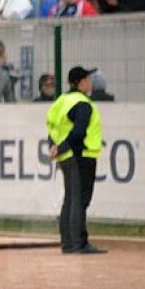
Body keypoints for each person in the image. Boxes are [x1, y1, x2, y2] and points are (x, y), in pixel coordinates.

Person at [47, 65, 106, 255]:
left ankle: (68, 243)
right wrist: (63, 147)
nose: (90, 82)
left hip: (65, 157)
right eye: (88, 79)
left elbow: (53, 129)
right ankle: (80, 242)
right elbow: (79, 131)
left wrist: (55, 147)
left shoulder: (61, 101)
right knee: (80, 200)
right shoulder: (82, 103)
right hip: (81, 155)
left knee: (70, 199)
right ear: (81, 82)